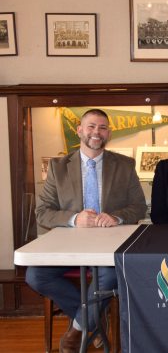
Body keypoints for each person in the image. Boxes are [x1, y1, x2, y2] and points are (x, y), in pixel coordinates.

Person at [27, 109, 147, 353]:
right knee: (35, 276)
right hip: (69, 245)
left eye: (102, 127)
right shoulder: (58, 167)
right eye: (91, 126)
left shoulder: (124, 165)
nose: (97, 132)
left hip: (108, 246)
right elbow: (43, 212)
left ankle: (77, 330)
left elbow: (139, 207)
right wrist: (74, 218)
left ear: (109, 133)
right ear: (79, 130)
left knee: (110, 276)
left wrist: (117, 217)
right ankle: (93, 319)